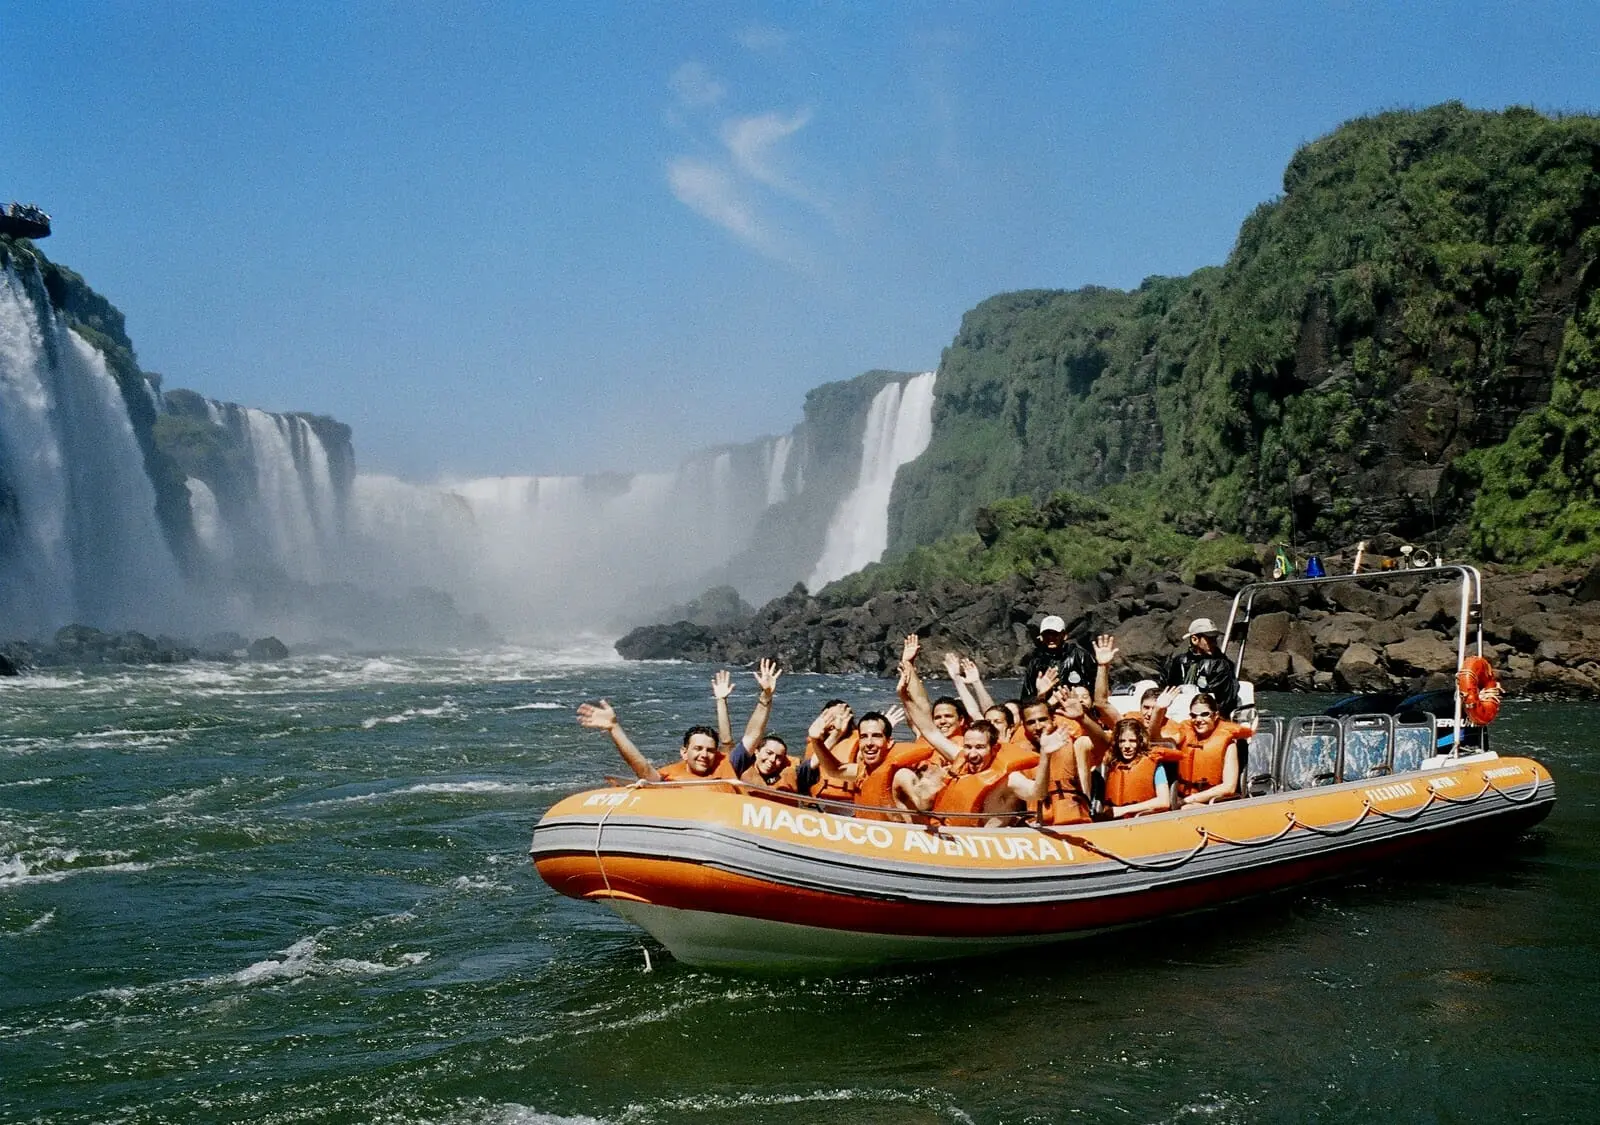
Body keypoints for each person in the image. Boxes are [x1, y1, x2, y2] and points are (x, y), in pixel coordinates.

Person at [576, 700, 736, 782]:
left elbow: (727, 742)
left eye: (710, 750)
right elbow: (644, 770)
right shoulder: (671, 776)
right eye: (698, 748)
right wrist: (614, 728)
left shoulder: (723, 765)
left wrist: (721, 700)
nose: (704, 755)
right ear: (684, 752)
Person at [1170, 691, 1252, 806]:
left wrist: (1189, 800)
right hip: (1181, 798)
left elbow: (1229, 787)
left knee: (1185, 809)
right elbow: (1155, 739)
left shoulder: (1229, 744)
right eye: (1194, 716)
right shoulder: (1184, 735)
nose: (1198, 719)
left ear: (1215, 715)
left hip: (1212, 803)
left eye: (1204, 714)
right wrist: (1159, 710)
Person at [1161, 617, 1240, 719]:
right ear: (1194, 639)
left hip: (1208, 716)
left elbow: (1223, 701)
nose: (1214, 643)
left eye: (1215, 639)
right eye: (1210, 639)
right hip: (1178, 715)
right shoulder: (1178, 662)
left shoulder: (1221, 664)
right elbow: (1167, 689)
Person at [1100, 717, 1175, 818]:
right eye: (1122, 741)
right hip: (1115, 820)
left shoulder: (1153, 763)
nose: (1127, 746)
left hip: (1143, 819)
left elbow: (1164, 801)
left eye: (1132, 741)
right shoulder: (1111, 763)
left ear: (1140, 741)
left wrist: (1123, 810)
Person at [1020, 614, 1096, 700]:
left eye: (1055, 634)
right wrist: (1041, 695)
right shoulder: (1035, 663)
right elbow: (1026, 698)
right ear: (1041, 637)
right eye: (1046, 634)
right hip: (1047, 706)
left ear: (1064, 635)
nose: (1050, 637)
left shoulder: (1080, 656)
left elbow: (1097, 687)